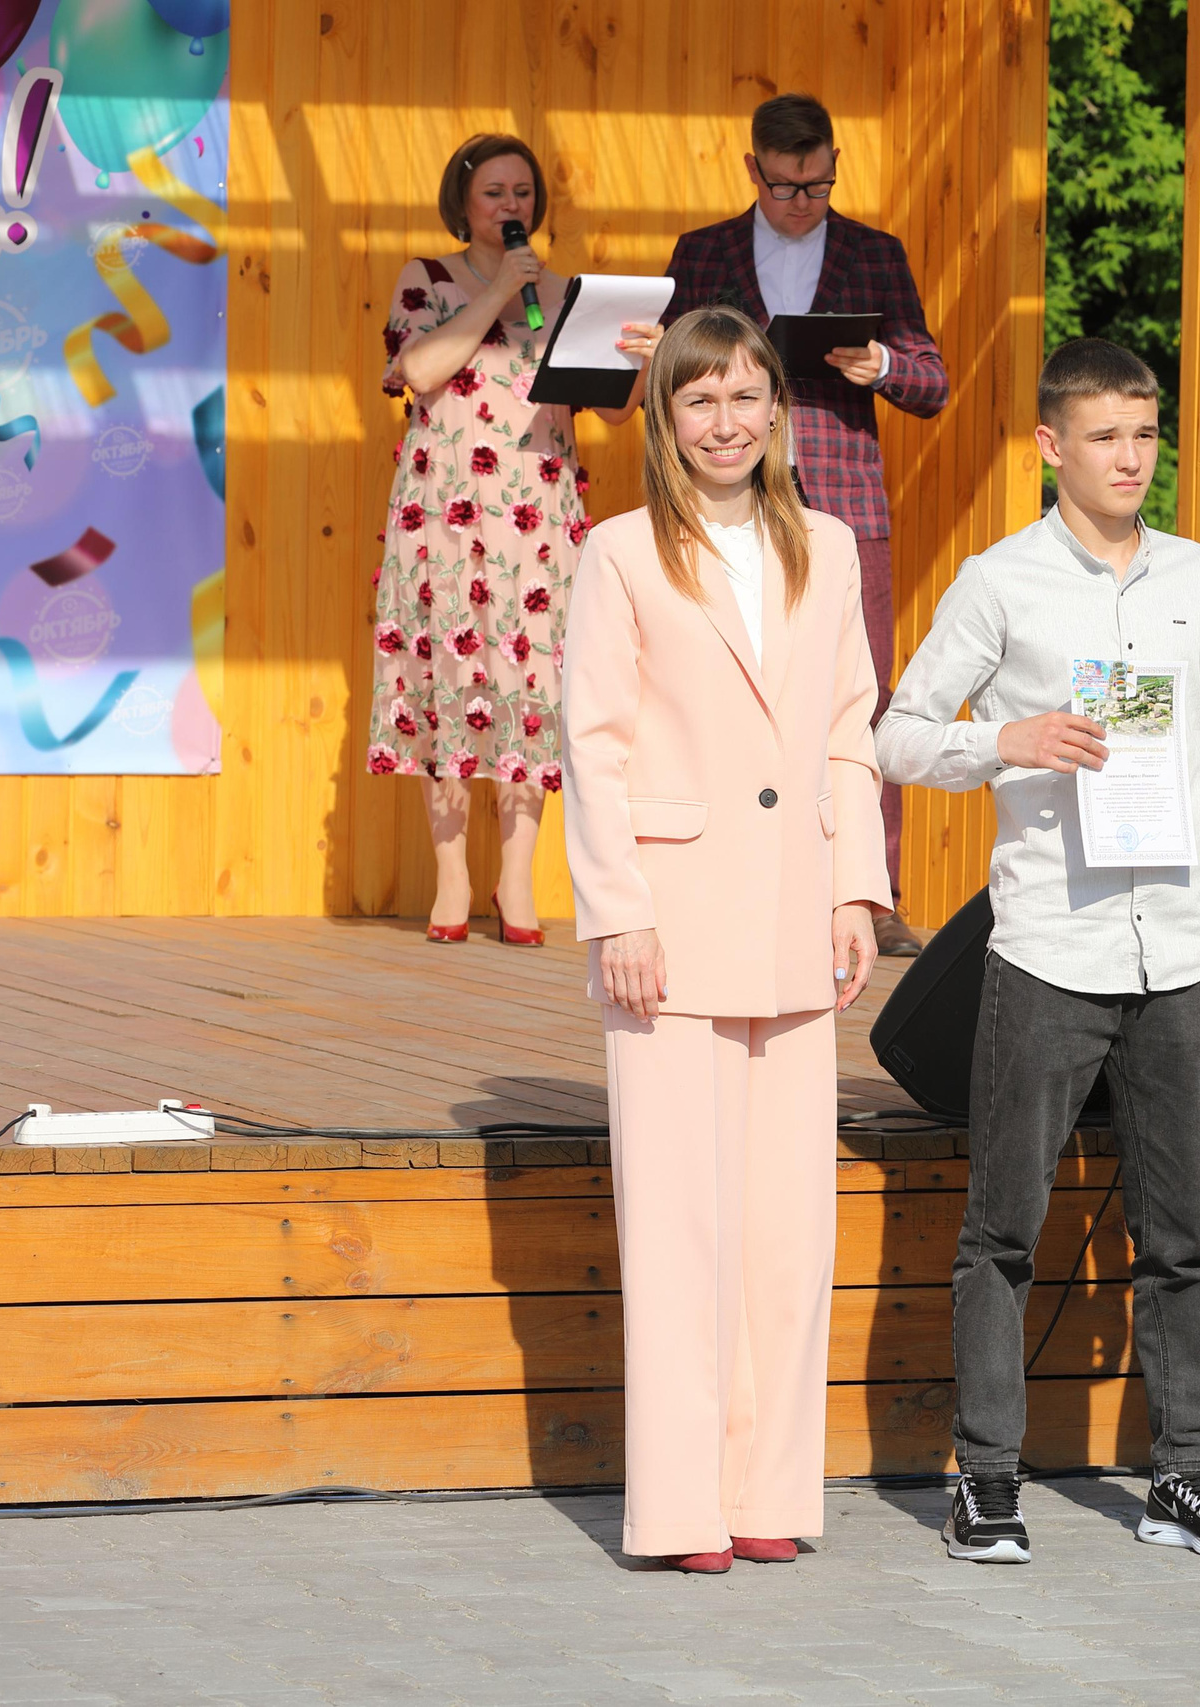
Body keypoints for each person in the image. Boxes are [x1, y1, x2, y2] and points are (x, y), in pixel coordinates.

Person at [877, 338, 1200, 1564]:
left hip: (1173, 949)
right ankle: (984, 1477)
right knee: (1003, 1226)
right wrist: (1011, 740)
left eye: (1145, 436)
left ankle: (1185, 1478)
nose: (1129, 459)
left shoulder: (1199, 579)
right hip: (1048, 942)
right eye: (1105, 437)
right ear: (1051, 446)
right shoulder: (1001, 583)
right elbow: (893, 738)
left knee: (1179, 1237)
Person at [559, 306, 893, 1573]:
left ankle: (766, 1494)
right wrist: (620, 911)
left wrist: (854, 890)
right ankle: (682, 1508)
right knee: (680, 1226)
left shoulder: (830, 544)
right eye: (698, 401)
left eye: (745, 396)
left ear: (777, 411)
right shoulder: (621, 554)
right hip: (672, 924)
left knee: (786, 1234)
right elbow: (590, 746)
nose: (725, 422)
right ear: (662, 417)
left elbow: (851, 727)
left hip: (796, 923)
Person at [658, 93, 950, 958]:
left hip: (842, 505)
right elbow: (671, 373)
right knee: (716, 687)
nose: (802, 204)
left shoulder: (873, 253)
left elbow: (932, 383)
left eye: (818, 188)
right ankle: (728, 876)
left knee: (862, 698)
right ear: (754, 170)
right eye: (787, 188)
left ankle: (874, 892)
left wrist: (884, 363)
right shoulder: (702, 251)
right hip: (719, 504)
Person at [370, 134, 598, 944]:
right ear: (464, 199)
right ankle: (452, 874)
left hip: (535, 504)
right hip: (448, 507)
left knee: (531, 679)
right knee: (447, 671)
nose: (512, 207)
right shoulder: (426, 280)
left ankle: (517, 873)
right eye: (496, 192)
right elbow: (422, 370)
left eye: (523, 194)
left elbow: (607, 407)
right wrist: (499, 288)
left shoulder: (563, 291)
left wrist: (637, 360)